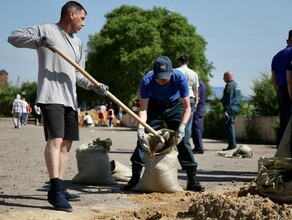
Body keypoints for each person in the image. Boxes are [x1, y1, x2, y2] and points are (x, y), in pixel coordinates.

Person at [8, 1, 108, 212]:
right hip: (51, 95)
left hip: (70, 99)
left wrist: (95, 86)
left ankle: (60, 187)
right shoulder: (46, 30)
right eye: (82, 18)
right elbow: (13, 37)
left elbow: (79, 74)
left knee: (66, 144)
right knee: (55, 140)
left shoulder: (78, 43)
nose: (84, 24)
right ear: (71, 15)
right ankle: (54, 190)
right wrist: (38, 40)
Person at [124, 56, 205, 192]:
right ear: (154, 73)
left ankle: (192, 179)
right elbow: (143, 108)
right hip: (154, 106)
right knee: (144, 139)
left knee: (183, 140)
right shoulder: (147, 80)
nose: (161, 81)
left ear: (171, 72)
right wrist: (140, 129)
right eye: (159, 77)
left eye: (165, 77)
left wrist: (182, 126)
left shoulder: (179, 78)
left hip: (174, 106)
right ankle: (135, 178)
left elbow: (187, 107)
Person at [176, 55, 200, 156]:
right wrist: (196, 100)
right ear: (188, 62)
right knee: (187, 126)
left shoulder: (176, 71)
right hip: (190, 99)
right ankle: (186, 148)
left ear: (179, 62)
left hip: (177, 100)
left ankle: (177, 147)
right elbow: (196, 89)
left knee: (177, 123)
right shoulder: (193, 73)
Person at [272, 30, 292, 148]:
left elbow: (273, 80)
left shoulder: (277, 56)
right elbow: (290, 80)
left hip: (281, 92)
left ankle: (280, 152)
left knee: (283, 124)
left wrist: (278, 93)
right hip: (290, 91)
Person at [221, 71, 241, 151]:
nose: (223, 79)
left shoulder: (229, 85)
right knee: (230, 125)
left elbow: (228, 99)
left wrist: (226, 110)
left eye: (224, 78)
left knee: (229, 126)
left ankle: (232, 146)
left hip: (230, 108)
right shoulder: (237, 85)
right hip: (236, 107)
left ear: (228, 77)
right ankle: (232, 145)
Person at [192, 77, 207, 154]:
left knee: (196, 127)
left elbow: (197, 97)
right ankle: (198, 147)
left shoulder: (198, 84)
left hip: (197, 108)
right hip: (200, 108)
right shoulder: (203, 83)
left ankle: (199, 147)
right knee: (197, 127)